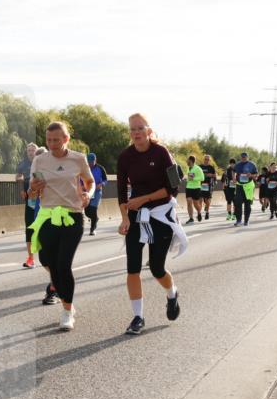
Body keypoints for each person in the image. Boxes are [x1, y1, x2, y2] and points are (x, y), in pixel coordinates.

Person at [116, 114, 188, 336]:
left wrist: (144, 199)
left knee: (157, 268)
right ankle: (138, 317)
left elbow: (173, 188)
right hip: (137, 216)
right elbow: (120, 191)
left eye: (140, 128)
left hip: (160, 214)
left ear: (149, 130)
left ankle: (172, 293)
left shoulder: (161, 152)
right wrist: (125, 217)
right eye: (132, 129)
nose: (136, 132)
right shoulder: (125, 157)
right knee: (133, 268)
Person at [28, 122, 94, 331]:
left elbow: (90, 182)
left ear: (66, 139)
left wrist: (87, 195)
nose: (52, 144)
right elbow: (31, 191)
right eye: (49, 140)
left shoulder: (78, 159)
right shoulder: (39, 160)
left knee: (63, 265)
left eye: (56, 140)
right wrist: (34, 188)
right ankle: (67, 300)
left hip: (72, 216)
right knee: (48, 261)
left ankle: (67, 311)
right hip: (47, 216)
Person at [16, 143, 40, 267]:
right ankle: (31, 258)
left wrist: (34, 190)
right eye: (29, 150)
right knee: (29, 228)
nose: (30, 152)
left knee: (43, 228)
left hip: (43, 200)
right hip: (30, 200)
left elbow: (41, 180)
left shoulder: (42, 162)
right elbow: (18, 176)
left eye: (33, 150)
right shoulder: (22, 163)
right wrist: (21, 188)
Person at [85, 152, 108, 235]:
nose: (90, 163)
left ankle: (92, 229)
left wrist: (101, 184)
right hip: (87, 192)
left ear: (95, 160)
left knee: (93, 209)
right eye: (89, 161)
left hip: (97, 192)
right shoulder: (84, 168)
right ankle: (95, 218)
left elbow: (106, 180)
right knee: (87, 211)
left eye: (92, 161)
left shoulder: (100, 168)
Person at [233, 152, 258, 227]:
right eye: (242, 157)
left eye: (245, 157)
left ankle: (246, 220)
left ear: (247, 157)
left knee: (247, 204)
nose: (243, 158)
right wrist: (234, 178)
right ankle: (238, 220)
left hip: (248, 187)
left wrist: (251, 175)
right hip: (239, 186)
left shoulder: (252, 165)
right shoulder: (238, 164)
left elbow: (256, 175)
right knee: (238, 204)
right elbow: (234, 172)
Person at [184, 155, 205, 224]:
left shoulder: (198, 168)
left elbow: (202, 178)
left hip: (196, 188)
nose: (187, 161)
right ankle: (191, 218)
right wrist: (186, 179)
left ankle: (199, 212)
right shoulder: (188, 168)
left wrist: (193, 179)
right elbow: (189, 177)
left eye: (187, 160)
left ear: (191, 161)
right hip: (188, 187)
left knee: (196, 203)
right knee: (189, 202)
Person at [200, 154, 218, 220]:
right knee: (201, 199)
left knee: (207, 199)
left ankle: (207, 212)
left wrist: (211, 175)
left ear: (209, 160)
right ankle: (200, 212)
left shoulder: (211, 167)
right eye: (205, 159)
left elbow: (215, 175)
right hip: (201, 185)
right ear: (203, 159)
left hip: (209, 185)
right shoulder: (200, 167)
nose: (206, 160)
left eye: (208, 159)